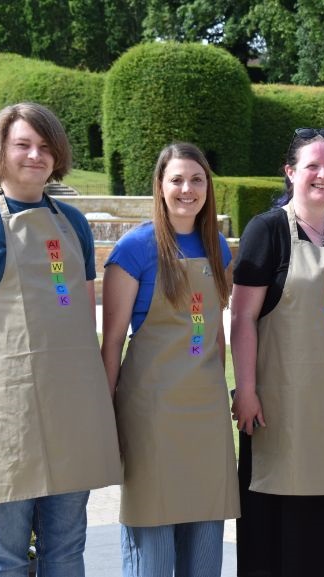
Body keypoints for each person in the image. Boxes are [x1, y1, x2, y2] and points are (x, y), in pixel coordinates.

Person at [0, 102, 121, 576]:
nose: (36, 155)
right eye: (23, 145)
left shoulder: (72, 223)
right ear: (0, 150)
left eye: (46, 147)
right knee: (5, 555)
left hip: (71, 409)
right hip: (2, 414)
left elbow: (81, 315)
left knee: (66, 550)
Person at [230, 127, 324, 577]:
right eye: (312, 166)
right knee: (284, 533)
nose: (323, 175)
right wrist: (246, 390)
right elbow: (242, 317)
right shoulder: (267, 229)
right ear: (290, 172)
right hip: (282, 406)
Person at [101, 142, 239, 577]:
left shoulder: (218, 247)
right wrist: (105, 413)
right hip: (152, 410)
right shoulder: (134, 249)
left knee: (205, 523)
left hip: (206, 410)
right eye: (177, 179)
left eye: (197, 179)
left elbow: (215, 329)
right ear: (160, 186)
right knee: (154, 527)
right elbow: (113, 341)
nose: (187, 189)